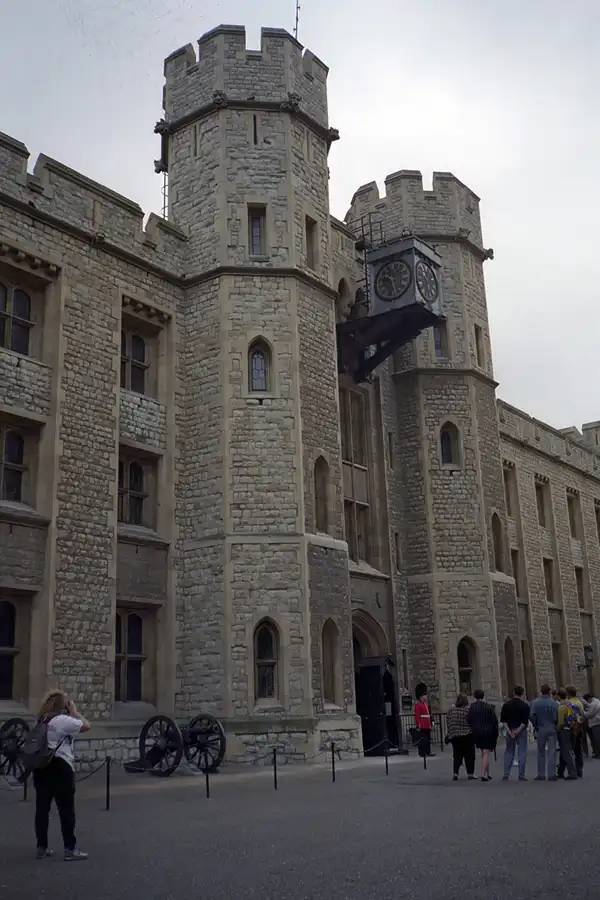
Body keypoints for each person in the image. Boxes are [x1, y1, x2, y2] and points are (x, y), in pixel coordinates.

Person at [33, 689, 90, 861]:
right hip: (61, 766)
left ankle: (41, 847)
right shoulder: (63, 720)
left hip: (42, 766)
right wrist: (75, 712)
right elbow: (86, 726)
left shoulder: (40, 720)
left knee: (42, 809)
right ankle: (70, 848)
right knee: (66, 810)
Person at [467, 689, 499, 782]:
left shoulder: (472, 707)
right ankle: (484, 774)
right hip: (487, 732)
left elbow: (469, 719)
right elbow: (494, 721)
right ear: (483, 696)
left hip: (477, 732)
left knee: (484, 753)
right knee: (486, 753)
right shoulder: (489, 707)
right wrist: (495, 732)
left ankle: (488, 773)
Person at [500, 686, 530, 781]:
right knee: (522, 752)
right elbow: (525, 722)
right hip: (521, 731)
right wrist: (517, 731)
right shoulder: (525, 705)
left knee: (509, 751)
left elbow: (503, 721)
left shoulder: (506, 705)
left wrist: (510, 731)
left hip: (510, 730)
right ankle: (521, 775)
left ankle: (506, 774)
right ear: (522, 693)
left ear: (513, 693)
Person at [529, 683, 558, 781]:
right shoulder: (553, 703)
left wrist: (536, 724)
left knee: (541, 751)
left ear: (541, 691)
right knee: (551, 751)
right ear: (549, 691)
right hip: (551, 728)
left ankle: (541, 774)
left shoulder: (535, 702)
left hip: (540, 728)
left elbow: (532, 715)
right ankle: (552, 774)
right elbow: (555, 717)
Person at [445, 693, 476, 780]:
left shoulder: (451, 710)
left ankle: (456, 773)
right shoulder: (467, 710)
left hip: (454, 736)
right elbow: (471, 721)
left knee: (457, 755)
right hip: (466, 735)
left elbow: (448, 720)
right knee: (469, 755)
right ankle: (470, 773)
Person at [556, 687, 580, 780]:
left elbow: (561, 722)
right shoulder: (570, 704)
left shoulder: (561, 707)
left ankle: (572, 773)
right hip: (572, 728)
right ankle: (572, 771)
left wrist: (557, 729)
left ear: (559, 696)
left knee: (567, 751)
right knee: (570, 750)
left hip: (564, 730)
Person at [414, 687, 434, 758]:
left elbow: (429, 715)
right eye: (424, 695)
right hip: (422, 724)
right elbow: (417, 716)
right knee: (422, 739)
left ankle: (428, 751)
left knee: (428, 739)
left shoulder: (426, 705)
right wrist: (418, 724)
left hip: (427, 724)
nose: (426, 697)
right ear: (421, 697)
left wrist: (431, 723)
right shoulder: (418, 705)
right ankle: (422, 752)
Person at [582, 693, 600, 759]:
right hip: (595, 722)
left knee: (597, 739)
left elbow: (589, 714)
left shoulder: (594, 704)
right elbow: (590, 707)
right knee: (595, 739)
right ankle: (597, 753)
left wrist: (582, 711)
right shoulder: (596, 701)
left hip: (596, 723)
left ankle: (598, 753)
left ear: (588, 699)